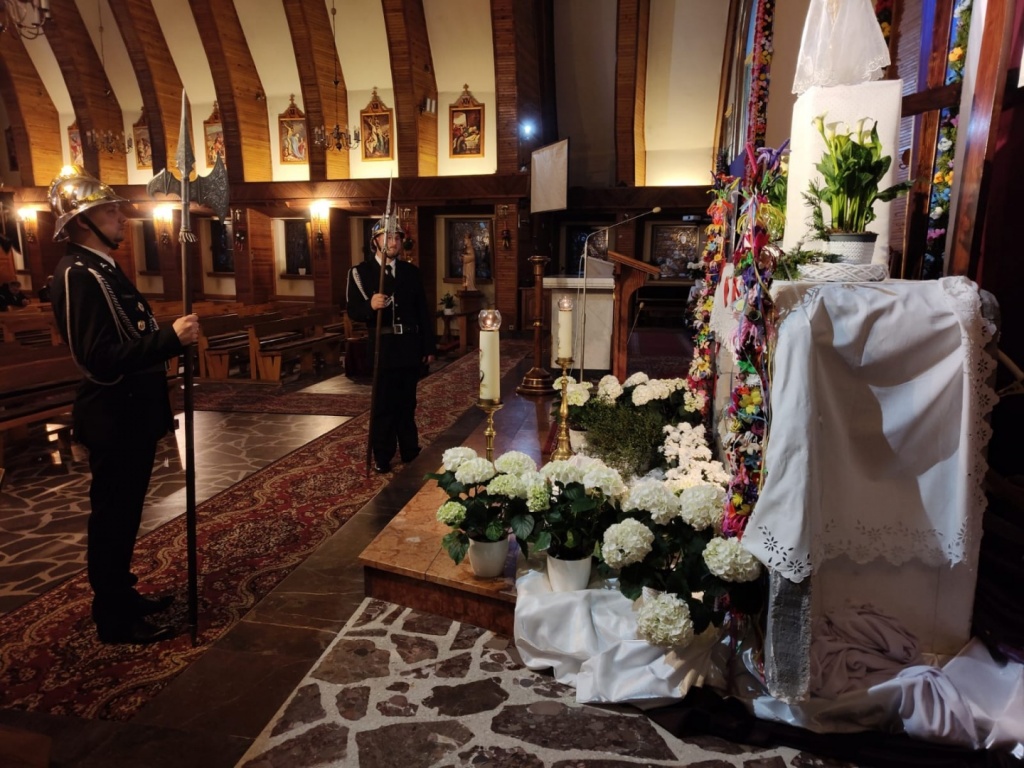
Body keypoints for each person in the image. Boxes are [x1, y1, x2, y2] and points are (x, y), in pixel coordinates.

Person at [48, 166, 199, 645]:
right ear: (82, 220)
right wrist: (169, 339)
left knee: (127, 514)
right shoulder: (77, 274)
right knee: (112, 519)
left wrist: (167, 342)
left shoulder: (103, 269)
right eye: (110, 211)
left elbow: (130, 334)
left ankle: (123, 593)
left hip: (133, 415)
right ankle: (113, 616)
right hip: (113, 415)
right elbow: (98, 358)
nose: (121, 217)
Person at [346, 214, 435, 473]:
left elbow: (422, 312)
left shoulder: (411, 272)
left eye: (396, 237)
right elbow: (353, 310)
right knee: (383, 405)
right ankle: (383, 455)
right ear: (375, 240)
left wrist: (428, 347)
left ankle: (409, 450)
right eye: (387, 236)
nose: (393, 242)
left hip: (408, 346)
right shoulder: (360, 273)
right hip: (382, 347)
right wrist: (369, 306)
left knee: (407, 403)